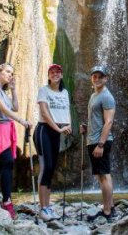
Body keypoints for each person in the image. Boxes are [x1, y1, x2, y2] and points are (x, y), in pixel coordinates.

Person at [0, 62, 31, 218]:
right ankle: (7, 202)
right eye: (7, 72)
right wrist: (22, 121)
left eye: (12, 73)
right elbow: (4, 110)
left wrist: (14, 90)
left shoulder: (4, 92)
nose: (10, 75)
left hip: (6, 130)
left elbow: (15, 107)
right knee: (8, 162)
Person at [34, 64, 72, 221]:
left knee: (51, 169)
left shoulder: (65, 92)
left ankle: (48, 206)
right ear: (48, 76)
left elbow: (67, 111)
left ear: (62, 75)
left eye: (58, 72)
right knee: (46, 166)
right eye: (52, 72)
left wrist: (69, 125)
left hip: (57, 132)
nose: (55, 74)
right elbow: (44, 112)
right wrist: (58, 128)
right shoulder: (44, 90)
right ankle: (42, 208)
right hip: (44, 130)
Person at [80, 65, 116, 222]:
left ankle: (107, 212)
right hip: (93, 139)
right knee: (103, 175)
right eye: (94, 76)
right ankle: (111, 206)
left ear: (106, 78)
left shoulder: (106, 96)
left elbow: (108, 122)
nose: (97, 78)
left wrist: (100, 145)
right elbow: (98, 119)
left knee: (103, 176)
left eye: (100, 76)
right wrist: (87, 127)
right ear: (91, 79)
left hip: (100, 142)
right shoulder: (94, 95)